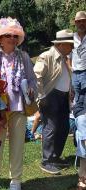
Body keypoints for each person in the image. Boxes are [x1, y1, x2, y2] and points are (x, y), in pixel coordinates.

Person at [0, 17, 37, 190]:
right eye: (8, 35)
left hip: (19, 108)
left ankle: (15, 181)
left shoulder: (23, 57)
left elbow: (32, 79)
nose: (12, 39)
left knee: (16, 146)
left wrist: (31, 89)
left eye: (15, 36)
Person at [34, 29, 74, 175]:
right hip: (50, 96)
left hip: (63, 97)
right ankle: (47, 161)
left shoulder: (64, 58)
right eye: (70, 44)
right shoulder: (47, 56)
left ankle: (55, 157)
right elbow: (36, 76)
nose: (72, 47)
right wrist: (42, 96)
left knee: (63, 127)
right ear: (61, 44)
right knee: (50, 128)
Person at [70, 11, 86, 190]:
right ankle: (82, 175)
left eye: (84, 21)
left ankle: (83, 176)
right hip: (76, 72)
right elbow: (68, 56)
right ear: (75, 22)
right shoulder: (72, 38)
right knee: (79, 109)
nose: (81, 23)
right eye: (79, 21)